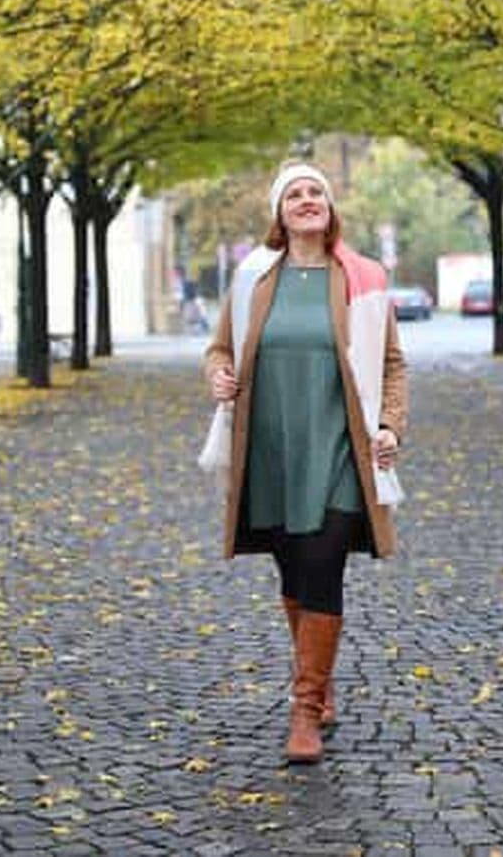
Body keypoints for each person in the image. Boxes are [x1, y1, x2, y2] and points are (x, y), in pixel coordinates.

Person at [204, 162, 408, 764]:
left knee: (322, 563)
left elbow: (393, 364)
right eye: (294, 193)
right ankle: (320, 680)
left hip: (342, 448)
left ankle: (304, 708)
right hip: (270, 450)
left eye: (315, 191)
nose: (306, 199)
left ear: (330, 206)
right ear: (279, 213)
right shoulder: (252, 279)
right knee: (293, 570)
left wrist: (392, 425)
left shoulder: (363, 279)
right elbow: (220, 349)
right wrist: (217, 373)